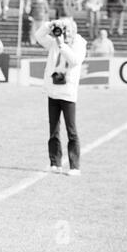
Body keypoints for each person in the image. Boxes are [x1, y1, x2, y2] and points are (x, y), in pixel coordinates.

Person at [35, 17, 87, 176]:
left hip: (68, 94)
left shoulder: (79, 44)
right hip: (53, 91)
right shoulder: (55, 42)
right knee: (54, 129)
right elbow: (38, 36)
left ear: (75, 31)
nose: (68, 33)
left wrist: (62, 44)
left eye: (70, 30)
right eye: (66, 30)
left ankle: (74, 166)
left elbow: (74, 60)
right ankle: (55, 162)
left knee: (71, 130)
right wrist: (50, 25)